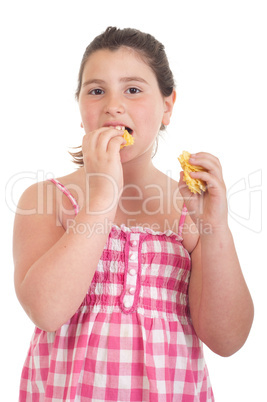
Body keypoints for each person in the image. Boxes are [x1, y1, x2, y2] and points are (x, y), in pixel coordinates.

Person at [13, 26, 254, 401]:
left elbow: (227, 339)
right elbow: (46, 311)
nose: (113, 104)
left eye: (133, 89)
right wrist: (102, 197)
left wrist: (214, 228)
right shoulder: (46, 200)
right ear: (80, 109)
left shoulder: (188, 207)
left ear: (167, 106)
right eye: (96, 91)